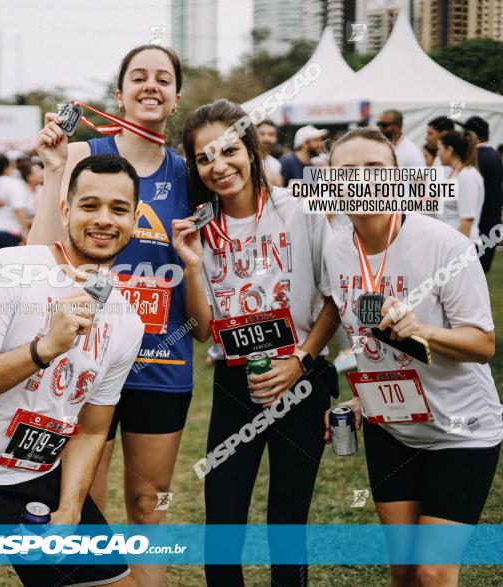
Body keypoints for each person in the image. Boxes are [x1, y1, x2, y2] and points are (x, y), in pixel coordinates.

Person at [0, 153, 144, 587]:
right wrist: (44, 348)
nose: (104, 220)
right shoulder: (6, 271)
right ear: (65, 210)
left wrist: (72, 507)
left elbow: (93, 430)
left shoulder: (127, 321)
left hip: (42, 479)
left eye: (119, 209)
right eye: (89, 205)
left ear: (135, 219)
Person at [28, 44, 197, 586]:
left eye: (163, 79)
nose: (151, 86)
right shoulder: (81, 155)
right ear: (118, 94)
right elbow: (39, 256)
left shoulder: (191, 174)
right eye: (138, 77)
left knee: (149, 503)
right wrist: (55, 171)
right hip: (86, 361)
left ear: (175, 97)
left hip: (162, 365)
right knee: (83, 504)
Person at [321, 127, 501, 587]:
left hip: (462, 430)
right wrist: (363, 398)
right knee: (403, 571)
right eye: (346, 172)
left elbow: (483, 344)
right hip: (393, 429)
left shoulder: (445, 246)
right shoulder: (337, 249)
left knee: (434, 571)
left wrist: (421, 329)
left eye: (375, 170)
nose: (360, 180)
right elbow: (356, 329)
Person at [175, 99, 339, 587]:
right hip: (234, 382)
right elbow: (203, 328)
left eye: (228, 151)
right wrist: (188, 265)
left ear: (250, 148)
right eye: (204, 158)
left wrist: (301, 361)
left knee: (288, 522)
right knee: (222, 521)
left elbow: (333, 300)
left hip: (300, 379)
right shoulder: (199, 228)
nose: (218, 166)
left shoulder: (302, 211)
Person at [461, 116, 503, 273]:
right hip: (493, 221)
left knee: (471, 271)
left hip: (479, 223)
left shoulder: (477, 158)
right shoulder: (495, 156)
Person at [437, 129, 484, 241]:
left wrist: (459, 254)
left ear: (449, 150)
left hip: (462, 246)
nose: (437, 154)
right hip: (450, 243)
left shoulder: (467, 176)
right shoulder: (456, 174)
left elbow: (467, 221)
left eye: (439, 149)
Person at [258, 120, 283, 186]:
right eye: (262, 134)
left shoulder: (276, 164)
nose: (266, 138)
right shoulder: (247, 161)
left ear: (276, 138)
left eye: (271, 134)